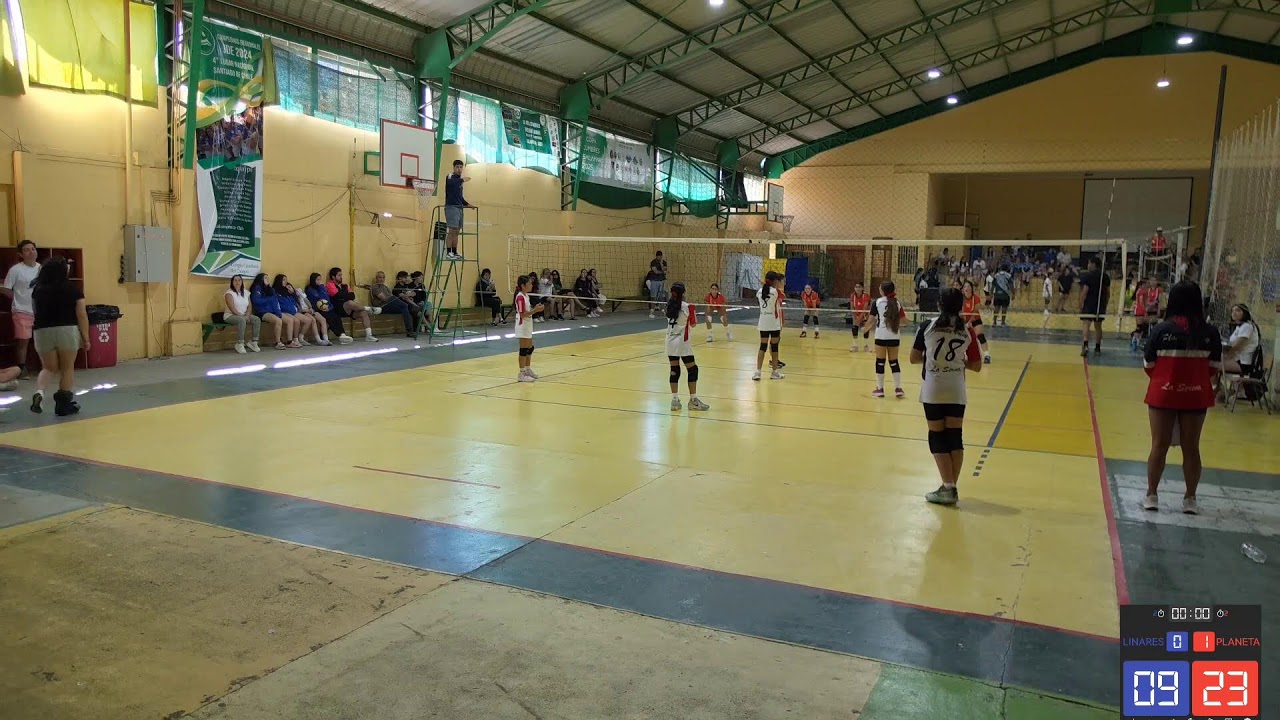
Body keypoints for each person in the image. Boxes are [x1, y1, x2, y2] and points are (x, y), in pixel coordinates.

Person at [1142, 281, 1220, 514]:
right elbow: (1213, 368)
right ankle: (1190, 499)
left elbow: (1149, 364)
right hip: (1196, 396)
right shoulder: (1210, 333)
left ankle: (1152, 495)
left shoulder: (1160, 330)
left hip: (1162, 394)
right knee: (1192, 447)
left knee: (1159, 445)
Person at [911, 287, 984, 506]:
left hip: (933, 388)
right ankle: (950, 486)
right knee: (954, 437)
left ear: (939, 304)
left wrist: (934, 359)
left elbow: (914, 358)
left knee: (936, 437)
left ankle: (948, 487)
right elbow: (977, 366)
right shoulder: (966, 330)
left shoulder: (928, 326)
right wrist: (957, 363)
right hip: (956, 388)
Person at [28, 258, 89, 416]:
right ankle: (63, 405)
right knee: (67, 368)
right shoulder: (73, 289)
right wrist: (86, 337)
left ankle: (40, 392)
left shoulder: (37, 290)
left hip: (42, 331)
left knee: (48, 368)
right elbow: (81, 315)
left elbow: (35, 312)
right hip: (66, 330)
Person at [664, 282, 709, 411]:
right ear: (683, 293)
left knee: (674, 370)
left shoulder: (669, 305)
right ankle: (693, 400)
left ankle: (675, 400)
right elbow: (694, 324)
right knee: (693, 369)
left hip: (670, 340)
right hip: (682, 342)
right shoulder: (688, 307)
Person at [1, 240, 40, 373]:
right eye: (27, 250)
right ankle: (22, 368)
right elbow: (6, 288)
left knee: (41, 340)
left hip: (39, 311)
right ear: (21, 254)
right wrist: (17, 298)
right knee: (23, 341)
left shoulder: (41, 269)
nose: (31, 252)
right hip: (21, 310)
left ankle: (44, 366)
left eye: (33, 249)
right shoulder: (16, 270)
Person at [867, 280, 907, 398]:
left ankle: (880, 389)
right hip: (894, 336)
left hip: (881, 335)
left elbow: (871, 319)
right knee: (894, 362)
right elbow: (905, 321)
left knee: (880, 362)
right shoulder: (897, 303)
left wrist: (865, 328)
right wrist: (896, 324)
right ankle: (898, 388)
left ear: (883, 290)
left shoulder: (877, 302)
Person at [326, 267, 380, 342]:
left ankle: (369, 335)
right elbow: (337, 296)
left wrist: (344, 296)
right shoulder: (330, 285)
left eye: (341, 275)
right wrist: (345, 296)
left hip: (348, 309)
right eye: (339, 275)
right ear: (333, 277)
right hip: (337, 308)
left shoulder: (345, 285)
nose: (341, 277)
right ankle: (369, 309)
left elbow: (352, 295)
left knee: (363, 313)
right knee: (350, 302)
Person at [360, 271, 418, 338]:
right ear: (376, 278)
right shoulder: (375, 287)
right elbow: (384, 298)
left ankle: (410, 331)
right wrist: (393, 298)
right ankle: (410, 330)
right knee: (399, 302)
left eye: (383, 277)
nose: (382, 279)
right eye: (380, 277)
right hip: (381, 307)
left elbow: (391, 298)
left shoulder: (386, 287)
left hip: (389, 305)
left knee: (405, 308)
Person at [250, 273, 296, 349]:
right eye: (265, 278)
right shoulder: (256, 288)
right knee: (278, 321)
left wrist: (278, 312)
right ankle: (277, 342)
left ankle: (290, 341)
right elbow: (256, 301)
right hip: (262, 311)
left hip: (273, 311)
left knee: (289, 320)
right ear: (261, 279)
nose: (267, 280)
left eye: (268, 278)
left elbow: (275, 302)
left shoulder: (270, 290)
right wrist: (268, 299)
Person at [512, 274, 544, 382]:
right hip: (522, 325)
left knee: (530, 348)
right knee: (523, 350)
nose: (531, 284)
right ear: (523, 285)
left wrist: (536, 308)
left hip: (528, 324)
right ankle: (521, 374)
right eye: (529, 283)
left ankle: (527, 369)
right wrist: (535, 310)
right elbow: (522, 314)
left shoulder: (526, 295)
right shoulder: (520, 297)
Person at [753, 271, 784, 381]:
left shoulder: (760, 292)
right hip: (774, 323)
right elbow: (781, 295)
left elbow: (764, 291)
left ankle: (758, 372)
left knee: (762, 346)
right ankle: (774, 372)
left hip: (763, 322)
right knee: (774, 347)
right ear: (775, 281)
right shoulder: (775, 292)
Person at [1078, 255, 1111, 357]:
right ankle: (1097, 348)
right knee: (1098, 326)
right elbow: (1108, 293)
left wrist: (1081, 304)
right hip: (1100, 304)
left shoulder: (1087, 276)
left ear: (1093, 264)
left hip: (1089, 304)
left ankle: (1086, 345)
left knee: (1086, 324)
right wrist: (1105, 304)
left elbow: (1084, 292)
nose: (1087, 265)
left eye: (1088, 263)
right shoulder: (1105, 276)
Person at [307, 272, 353, 344]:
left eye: (320, 280)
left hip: (327, 308)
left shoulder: (321, 287)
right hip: (317, 309)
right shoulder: (310, 289)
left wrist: (321, 287)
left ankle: (342, 334)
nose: (319, 282)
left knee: (336, 316)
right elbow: (318, 300)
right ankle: (338, 335)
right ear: (313, 280)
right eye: (317, 280)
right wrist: (322, 307)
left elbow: (326, 297)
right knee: (329, 317)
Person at [273, 275, 317, 345]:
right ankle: (289, 341)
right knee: (294, 320)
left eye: (286, 280)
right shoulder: (275, 291)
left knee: (307, 320)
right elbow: (279, 303)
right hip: (284, 311)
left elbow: (295, 301)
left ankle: (296, 339)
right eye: (284, 280)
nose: (286, 281)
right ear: (279, 281)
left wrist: (293, 293)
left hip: (293, 311)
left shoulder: (286, 291)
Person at [1220, 303, 1261, 380]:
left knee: (1211, 365)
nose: (1234, 313)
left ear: (1245, 313)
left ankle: (1217, 388)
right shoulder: (1240, 327)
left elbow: (1236, 347)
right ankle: (1219, 388)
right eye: (1232, 311)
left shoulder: (1247, 326)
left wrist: (1226, 356)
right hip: (1237, 360)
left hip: (1243, 364)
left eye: (1238, 310)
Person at [223, 274, 262, 354]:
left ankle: (253, 342)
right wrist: (242, 316)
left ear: (242, 282)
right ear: (232, 282)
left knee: (256, 319)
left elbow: (250, 306)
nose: (237, 282)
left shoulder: (246, 293)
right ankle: (240, 343)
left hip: (244, 315)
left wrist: (247, 315)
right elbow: (232, 308)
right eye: (235, 280)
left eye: (239, 280)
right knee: (241, 320)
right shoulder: (229, 293)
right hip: (230, 315)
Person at [443, 159, 473, 260]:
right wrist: (462, 180)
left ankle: (455, 252)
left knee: (457, 231)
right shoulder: (450, 177)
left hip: (459, 208)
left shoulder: (459, 181)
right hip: (451, 207)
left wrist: (468, 204)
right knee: (452, 230)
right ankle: (448, 252)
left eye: (461, 167)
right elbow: (452, 184)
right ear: (454, 168)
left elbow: (459, 197)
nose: (459, 169)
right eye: (457, 167)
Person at [288, 278, 331, 346]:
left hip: (309, 309)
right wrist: (305, 310)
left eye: (290, 287)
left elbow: (306, 300)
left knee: (323, 319)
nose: (289, 289)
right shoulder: (289, 298)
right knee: (312, 320)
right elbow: (298, 308)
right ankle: (318, 340)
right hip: (303, 311)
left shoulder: (298, 292)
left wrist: (310, 308)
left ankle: (326, 339)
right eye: (287, 288)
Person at [961, 281, 992, 364]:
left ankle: (986, 355)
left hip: (975, 319)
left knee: (980, 335)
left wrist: (970, 322)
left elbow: (974, 312)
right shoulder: (961, 298)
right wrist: (964, 323)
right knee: (961, 337)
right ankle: (960, 355)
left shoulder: (976, 298)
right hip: (964, 320)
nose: (967, 288)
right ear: (963, 289)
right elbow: (961, 311)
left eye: (968, 286)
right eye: (965, 287)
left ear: (971, 288)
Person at [1130, 278, 1162, 351]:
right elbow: (1141, 302)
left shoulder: (1143, 291)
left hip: (1143, 311)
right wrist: (1145, 311)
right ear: (1143, 284)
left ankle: (1136, 342)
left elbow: (1143, 302)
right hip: (1140, 311)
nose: (1148, 284)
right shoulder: (1141, 291)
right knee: (1140, 328)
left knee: (1142, 327)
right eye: (1147, 283)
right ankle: (1135, 342)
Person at [850, 282, 871, 353]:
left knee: (866, 329)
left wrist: (860, 318)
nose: (857, 288)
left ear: (862, 288)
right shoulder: (852, 295)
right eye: (856, 287)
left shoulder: (866, 296)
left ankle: (866, 346)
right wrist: (854, 316)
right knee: (854, 327)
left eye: (859, 287)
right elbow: (852, 307)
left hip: (865, 314)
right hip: (856, 313)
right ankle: (855, 345)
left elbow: (865, 308)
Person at [647, 250, 667, 319]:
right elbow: (655, 271)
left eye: (660, 256)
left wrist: (661, 265)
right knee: (653, 296)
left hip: (662, 281)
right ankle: (652, 311)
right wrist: (662, 272)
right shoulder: (653, 262)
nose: (659, 257)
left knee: (661, 296)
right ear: (656, 256)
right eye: (658, 256)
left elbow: (665, 271)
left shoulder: (663, 262)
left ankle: (663, 310)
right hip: (654, 281)